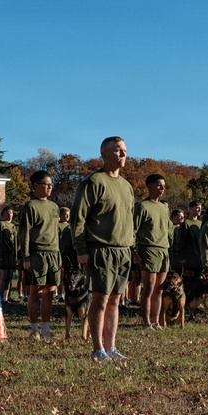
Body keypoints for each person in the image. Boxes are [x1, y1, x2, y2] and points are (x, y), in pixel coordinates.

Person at [70, 136, 134, 361]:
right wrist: (81, 250)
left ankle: (111, 347)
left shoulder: (127, 186)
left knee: (115, 300)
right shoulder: (93, 182)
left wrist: (132, 246)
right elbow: (78, 219)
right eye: (117, 150)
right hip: (100, 249)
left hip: (123, 250)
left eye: (124, 150)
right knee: (101, 299)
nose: (123, 154)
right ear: (104, 155)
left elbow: (129, 219)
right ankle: (97, 349)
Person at [18, 170, 61, 340]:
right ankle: (34, 330)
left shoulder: (54, 207)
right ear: (36, 186)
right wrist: (26, 257)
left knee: (49, 292)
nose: (49, 187)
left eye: (51, 184)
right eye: (46, 184)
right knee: (35, 292)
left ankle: (46, 330)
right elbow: (24, 234)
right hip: (37, 253)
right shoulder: (30, 206)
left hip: (53, 253)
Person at [133, 174, 170, 329]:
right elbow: (132, 231)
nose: (162, 188)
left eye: (164, 186)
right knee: (148, 288)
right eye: (159, 185)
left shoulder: (164, 208)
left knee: (159, 290)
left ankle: (156, 321)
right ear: (150, 186)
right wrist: (134, 253)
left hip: (164, 250)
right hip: (148, 249)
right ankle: (146, 322)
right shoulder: (142, 207)